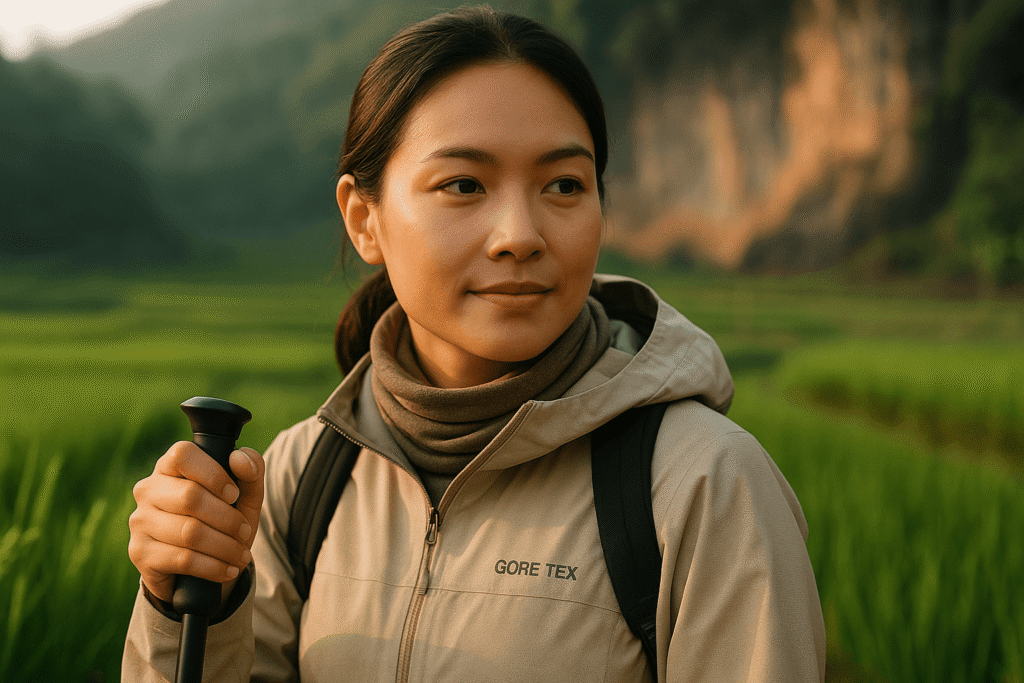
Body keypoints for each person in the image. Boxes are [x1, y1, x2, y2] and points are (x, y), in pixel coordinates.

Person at [123, 6, 826, 682]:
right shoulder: (301, 474)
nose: (520, 233)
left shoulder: (704, 486)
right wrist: (182, 606)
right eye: (464, 184)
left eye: (563, 184)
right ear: (364, 220)